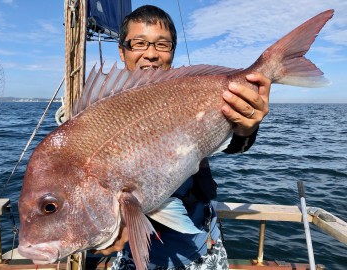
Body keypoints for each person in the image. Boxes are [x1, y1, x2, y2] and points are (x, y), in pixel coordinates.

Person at [93, 5, 271, 270]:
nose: (151, 54)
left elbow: (231, 143)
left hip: (199, 244)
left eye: (162, 45)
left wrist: (246, 129)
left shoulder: (189, 97)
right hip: (136, 252)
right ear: (122, 51)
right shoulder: (99, 111)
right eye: (139, 43)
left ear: (172, 51)